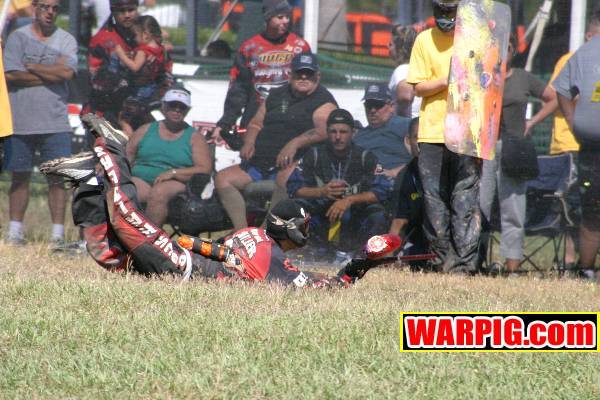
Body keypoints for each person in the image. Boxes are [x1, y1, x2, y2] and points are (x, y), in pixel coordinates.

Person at [40, 114, 359, 288]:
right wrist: (354, 271)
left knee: (106, 251)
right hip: (179, 265)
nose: (306, 232)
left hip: (179, 260)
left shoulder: (254, 236)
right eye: (304, 226)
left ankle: (86, 180)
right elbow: (314, 287)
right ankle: (113, 148)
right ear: (292, 228)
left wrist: (196, 246)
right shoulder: (271, 257)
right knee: (124, 214)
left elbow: (215, 250)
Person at [215, 52, 337, 231]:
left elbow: (323, 130)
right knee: (223, 179)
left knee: (285, 179)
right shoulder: (276, 94)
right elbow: (256, 123)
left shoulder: (323, 100)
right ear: (290, 74)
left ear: (317, 76)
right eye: (299, 73)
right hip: (260, 163)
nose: (304, 77)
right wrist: (249, 142)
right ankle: (242, 232)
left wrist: (295, 143)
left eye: (309, 73)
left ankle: (265, 233)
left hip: (296, 166)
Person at [406, 0, 481, 274]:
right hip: (432, 132)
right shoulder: (424, 40)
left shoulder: (476, 39)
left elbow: (488, 81)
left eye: (450, 11)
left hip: (468, 131)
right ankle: (440, 262)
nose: (445, 16)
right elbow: (417, 87)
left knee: (464, 200)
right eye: (440, 10)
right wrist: (447, 79)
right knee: (434, 200)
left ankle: (463, 266)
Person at [479, 35, 557, 274]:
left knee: (513, 209)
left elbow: (553, 99)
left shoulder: (522, 77)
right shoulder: (482, 76)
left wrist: (531, 122)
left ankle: (512, 267)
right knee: (479, 206)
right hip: (484, 148)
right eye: (499, 48)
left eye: (508, 48)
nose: (503, 53)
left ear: (514, 52)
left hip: (514, 148)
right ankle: (474, 261)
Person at [3, 0, 77, 245]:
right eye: (45, 7)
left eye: (55, 8)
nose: (50, 12)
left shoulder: (66, 39)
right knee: (19, 177)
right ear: (34, 7)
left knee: (57, 179)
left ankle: (57, 235)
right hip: (21, 121)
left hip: (55, 123)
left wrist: (32, 66)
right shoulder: (17, 38)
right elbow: (11, 74)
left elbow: (67, 73)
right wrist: (51, 74)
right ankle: (15, 232)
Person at [287, 109, 391, 257]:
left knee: (378, 214)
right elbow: (293, 187)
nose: (337, 137)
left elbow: (382, 190)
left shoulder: (366, 157)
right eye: (333, 131)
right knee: (293, 208)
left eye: (343, 132)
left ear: (353, 133)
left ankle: (366, 255)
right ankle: (305, 253)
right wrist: (321, 192)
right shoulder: (314, 155)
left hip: (355, 216)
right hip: (321, 213)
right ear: (327, 132)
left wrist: (349, 200)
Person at [213, 0, 311, 138]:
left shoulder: (300, 46)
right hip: (255, 121)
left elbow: (311, 84)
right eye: (280, 17)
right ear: (268, 18)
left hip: (289, 119)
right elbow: (238, 89)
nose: (285, 21)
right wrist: (226, 123)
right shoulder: (249, 48)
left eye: (287, 17)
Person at [554, 10, 600, 280]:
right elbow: (561, 89)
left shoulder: (582, 53)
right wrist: (573, 120)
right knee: (592, 208)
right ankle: (586, 270)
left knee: (592, 209)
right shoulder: (585, 53)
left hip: (589, 145)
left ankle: (586, 270)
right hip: (592, 148)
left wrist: (573, 120)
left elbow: (561, 90)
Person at [125, 88, 211, 227]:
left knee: (159, 193)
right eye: (172, 105)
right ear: (163, 107)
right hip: (141, 177)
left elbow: (204, 169)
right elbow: (127, 156)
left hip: (175, 181)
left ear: (187, 110)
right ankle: (125, 234)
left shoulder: (195, 137)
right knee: (127, 190)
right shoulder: (145, 129)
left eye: (182, 107)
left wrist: (174, 173)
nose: (177, 110)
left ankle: (150, 237)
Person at [83, 0, 139, 126]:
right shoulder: (101, 39)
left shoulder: (143, 38)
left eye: (131, 10)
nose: (127, 15)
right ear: (113, 12)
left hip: (130, 113)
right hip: (98, 115)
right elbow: (94, 77)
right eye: (122, 11)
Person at [388, 118, 428, 269]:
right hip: (419, 238)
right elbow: (398, 222)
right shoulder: (405, 175)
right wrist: (387, 258)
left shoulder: (448, 171)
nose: (421, 143)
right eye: (417, 137)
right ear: (408, 140)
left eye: (426, 138)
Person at [353, 82, 412, 180]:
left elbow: (424, 157)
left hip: (401, 181)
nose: (372, 110)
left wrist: (394, 172)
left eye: (378, 105)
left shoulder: (408, 126)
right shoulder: (358, 138)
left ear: (392, 106)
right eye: (369, 105)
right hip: (368, 182)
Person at [113, 15, 168, 105]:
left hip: (140, 89)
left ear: (145, 35)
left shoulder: (143, 51)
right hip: (152, 86)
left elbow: (135, 67)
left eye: (135, 35)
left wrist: (121, 55)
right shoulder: (160, 49)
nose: (134, 38)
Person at [388, 24, 421, 118]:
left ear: (399, 48)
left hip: (408, 123)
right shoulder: (417, 68)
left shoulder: (402, 70)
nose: (387, 46)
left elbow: (405, 97)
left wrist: (399, 118)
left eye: (391, 44)